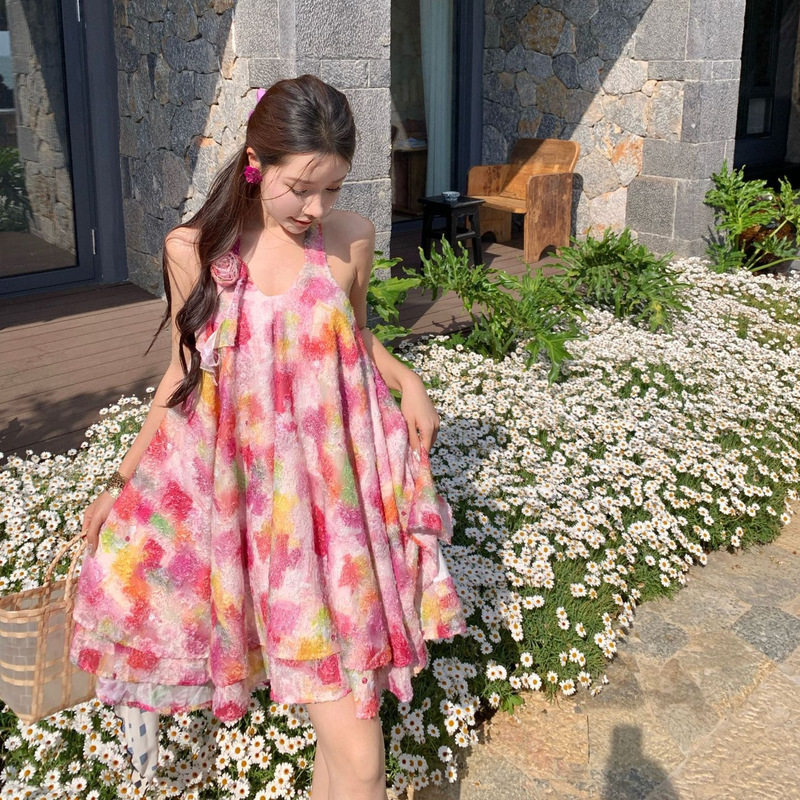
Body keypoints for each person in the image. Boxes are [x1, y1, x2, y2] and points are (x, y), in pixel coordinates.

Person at [70, 74, 467, 800]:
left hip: (340, 519)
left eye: (333, 189)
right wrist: (122, 484)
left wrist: (407, 379)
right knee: (358, 755)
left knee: (350, 748)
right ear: (255, 163)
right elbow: (183, 371)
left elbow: (354, 335)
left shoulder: (349, 239)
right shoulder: (194, 251)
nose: (316, 209)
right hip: (257, 523)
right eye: (301, 189)